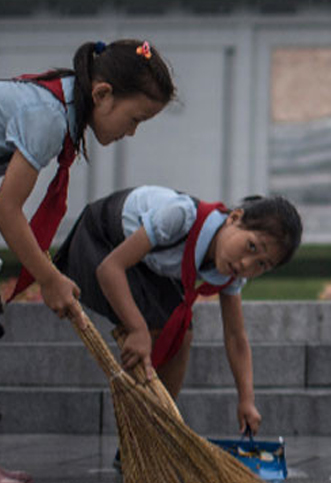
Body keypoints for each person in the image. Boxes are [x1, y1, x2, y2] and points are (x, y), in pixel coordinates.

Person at [0, 40, 174, 483]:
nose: (131, 133)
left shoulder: (56, 105)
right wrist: (50, 278)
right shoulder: (46, 116)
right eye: (134, 119)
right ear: (102, 95)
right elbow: (8, 209)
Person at [54, 187, 302, 445]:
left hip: (143, 264)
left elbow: (235, 336)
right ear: (234, 218)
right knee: (151, 327)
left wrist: (246, 400)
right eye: (251, 246)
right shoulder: (180, 215)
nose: (246, 264)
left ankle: (153, 437)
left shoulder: (231, 272)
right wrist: (136, 329)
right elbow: (110, 268)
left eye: (262, 264)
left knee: (179, 332)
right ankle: (137, 439)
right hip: (100, 239)